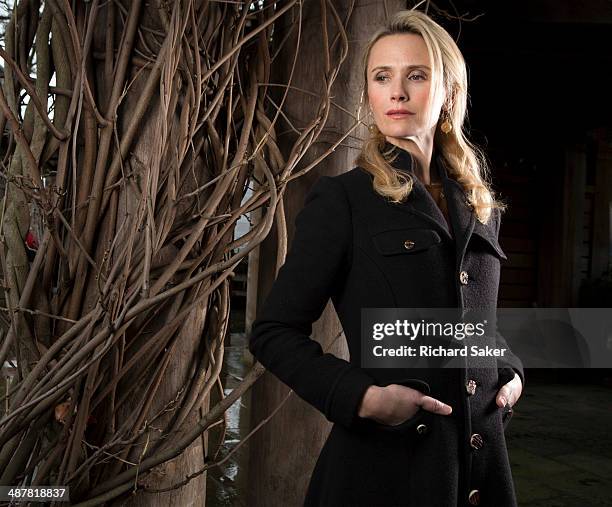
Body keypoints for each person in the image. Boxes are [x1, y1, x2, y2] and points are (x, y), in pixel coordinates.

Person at [249, 9, 524, 507]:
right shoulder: (344, 201)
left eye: (416, 76)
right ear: (370, 94)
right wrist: (365, 398)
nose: (397, 91)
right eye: (382, 77)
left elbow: (475, 325)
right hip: (386, 471)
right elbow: (272, 333)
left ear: (449, 94)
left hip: (481, 468)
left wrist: (508, 369)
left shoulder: (481, 206)